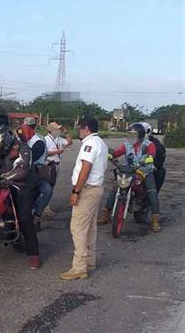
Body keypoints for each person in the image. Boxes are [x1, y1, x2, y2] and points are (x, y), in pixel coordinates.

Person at [60, 115, 108, 280]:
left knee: (78, 227)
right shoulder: (100, 142)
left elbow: (85, 169)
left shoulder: (90, 144)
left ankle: (79, 267)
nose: (78, 131)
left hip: (87, 190)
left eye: (79, 128)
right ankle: (89, 262)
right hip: (96, 189)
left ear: (86, 128)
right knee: (90, 227)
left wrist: (76, 192)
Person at [0, 124, 41, 269]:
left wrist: (6, 178)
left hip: (23, 187)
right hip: (3, 184)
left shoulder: (23, 148)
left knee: (24, 218)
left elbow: (22, 169)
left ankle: (34, 254)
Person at [98, 123, 161, 232]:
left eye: (133, 134)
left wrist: (149, 158)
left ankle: (155, 219)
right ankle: (106, 214)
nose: (131, 137)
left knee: (152, 191)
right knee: (115, 188)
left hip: (144, 171)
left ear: (140, 135)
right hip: (129, 171)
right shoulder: (127, 144)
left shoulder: (149, 144)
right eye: (130, 134)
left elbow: (152, 154)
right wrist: (110, 155)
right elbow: (118, 152)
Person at [23, 117, 51, 229]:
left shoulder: (38, 140)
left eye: (28, 127)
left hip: (36, 171)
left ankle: (36, 215)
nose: (26, 129)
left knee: (46, 191)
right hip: (22, 171)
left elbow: (31, 158)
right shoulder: (21, 137)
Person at [43, 122, 73, 216]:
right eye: (57, 129)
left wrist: (66, 133)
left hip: (56, 164)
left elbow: (69, 142)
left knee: (52, 186)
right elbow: (44, 153)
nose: (59, 131)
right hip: (48, 165)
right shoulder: (45, 140)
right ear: (51, 130)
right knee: (48, 186)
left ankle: (47, 206)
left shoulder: (59, 139)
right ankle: (45, 207)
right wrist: (57, 151)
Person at [141, 122, 166, 192]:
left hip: (151, 171)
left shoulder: (155, 144)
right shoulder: (133, 143)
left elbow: (158, 161)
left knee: (151, 192)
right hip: (136, 169)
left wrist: (149, 161)